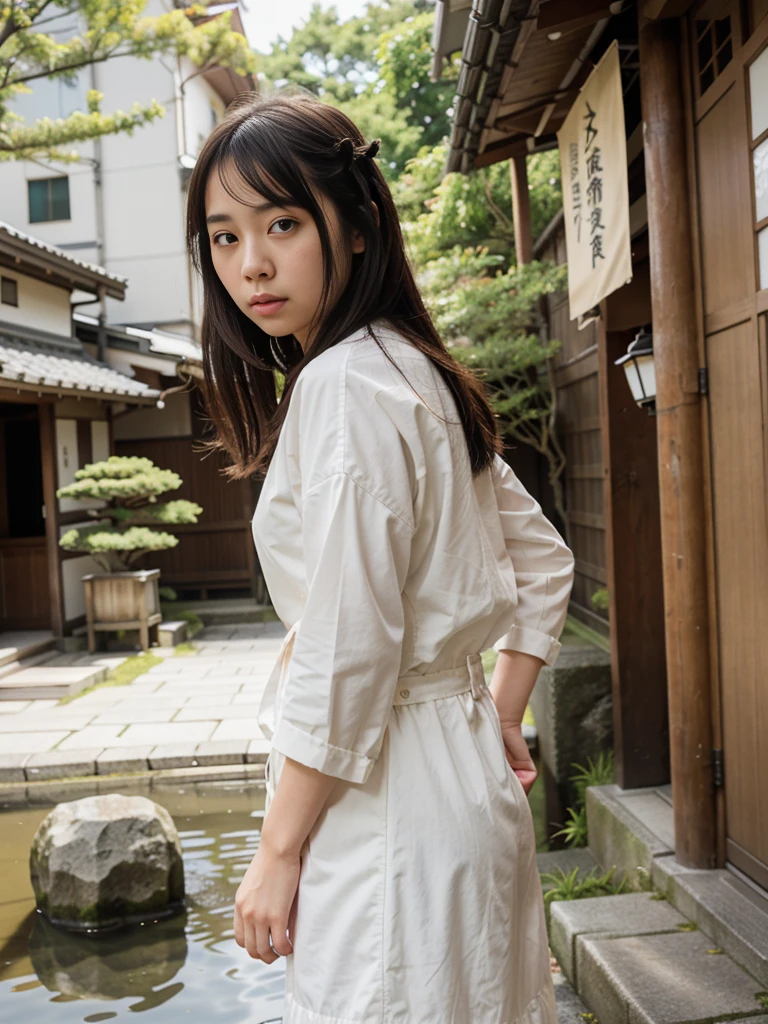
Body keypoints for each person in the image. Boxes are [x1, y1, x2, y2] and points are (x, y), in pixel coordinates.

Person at [185, 88, 575, 1024]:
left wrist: (276, 854)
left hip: (391, 794)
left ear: (357, 227)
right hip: (457, 781)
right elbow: (546, 560)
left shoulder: (347, 383)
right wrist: (501, 716)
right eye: (225, 236)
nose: (252, 263)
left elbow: (349, 645)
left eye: (281, 222)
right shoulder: (410, 368)